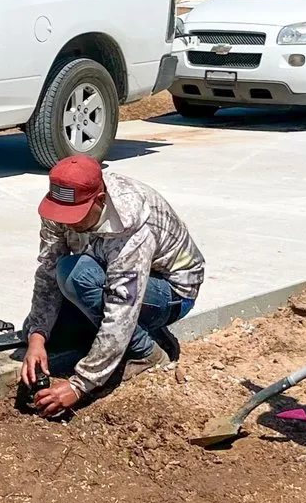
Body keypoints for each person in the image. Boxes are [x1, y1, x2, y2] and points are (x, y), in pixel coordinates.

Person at [20, 155, 204, 418]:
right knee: (50, 331)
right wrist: (37, 337)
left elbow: (122, 307)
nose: (69, 223)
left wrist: (80, 385)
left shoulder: (131, 225)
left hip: (170, 291)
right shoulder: (62, 203)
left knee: (78, 275)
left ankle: (147, 353)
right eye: (64, 214)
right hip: (108, 274)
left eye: (77, 216)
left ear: (100, 201)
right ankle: (148, 334)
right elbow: (48, 270)